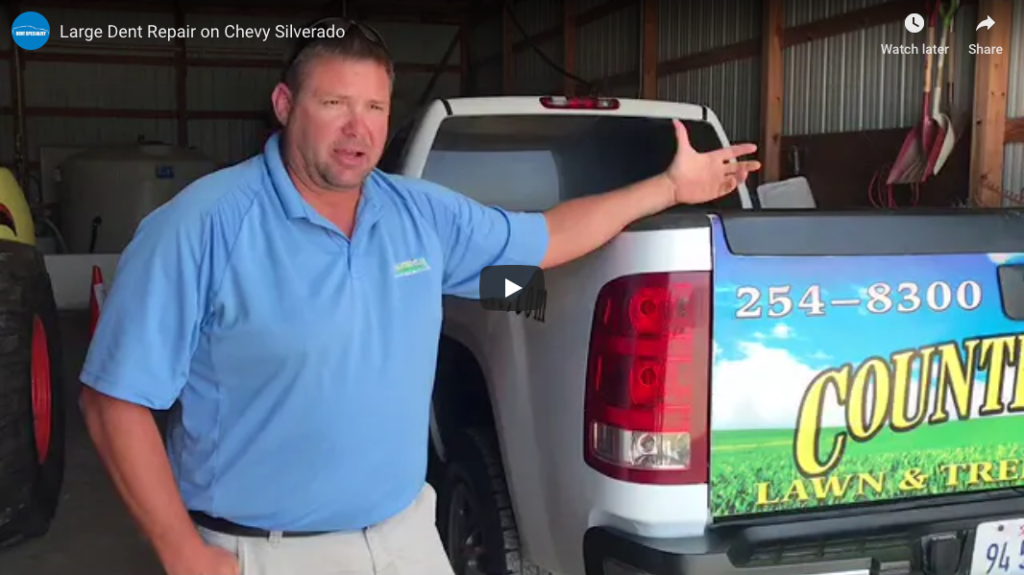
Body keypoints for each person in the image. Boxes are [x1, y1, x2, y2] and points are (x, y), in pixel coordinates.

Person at [78, 16, 760, 575]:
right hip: (262, 552)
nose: (358, 127)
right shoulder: (200, 225)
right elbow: (114, 399)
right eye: (334, 103)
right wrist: (181, 552)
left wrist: (668, 189)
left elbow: (545, 239)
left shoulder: (419, 216)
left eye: (374, 106)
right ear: (285, 106)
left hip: (407, 540)